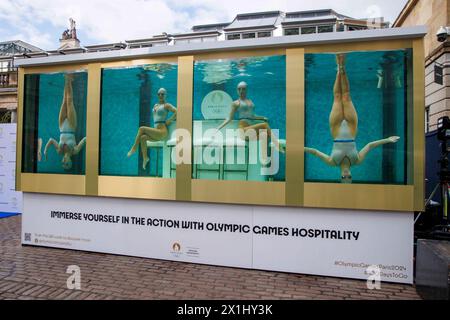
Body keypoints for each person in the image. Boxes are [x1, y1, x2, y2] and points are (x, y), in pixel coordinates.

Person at [305, 53, 400, 184]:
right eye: (349, 177)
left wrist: (298, 148)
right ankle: (342, 68)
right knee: (347, 97)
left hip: (336, 130)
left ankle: (339, 69)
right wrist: (388, 140)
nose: (346, 175)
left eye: (344, 178)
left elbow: (315, 152)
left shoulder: (332, 162)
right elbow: (370, 145)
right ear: (352, 176)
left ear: (340, 177)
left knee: (337, 97)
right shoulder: (357, 161)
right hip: (351, 129)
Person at [217, 81, 285, 156]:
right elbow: (229, 118)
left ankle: (264, 160)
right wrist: (218, 128)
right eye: (239, 89)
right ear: (237, 90)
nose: (241, 91)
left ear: (246, 90)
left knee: (265, 135)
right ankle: (278, 146)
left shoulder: (250, 102)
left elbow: (252, 116)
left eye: (243, 89)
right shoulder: (235, 103)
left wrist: (262, 117)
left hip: (251, 131)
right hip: (243, 131)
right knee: (265, 125)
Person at [40, 73, 86, 170]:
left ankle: (68, 79)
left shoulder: (59, 151)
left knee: (64, 101)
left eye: (63, 164)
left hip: (61, 126)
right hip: (71, 126)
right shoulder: (75, 151)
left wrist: (45, 150)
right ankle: (68, 79)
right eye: (67, 164)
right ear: (70, 162)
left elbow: (51, 140)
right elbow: (85, 139)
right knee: (69, 102)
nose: (64, 162)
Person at [127, 88, 177, 170]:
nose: (160, 95)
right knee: (143, 138)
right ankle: (145, 158)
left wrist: (169, 120)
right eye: (159, 94)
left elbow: (177, 111)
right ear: (157, 95)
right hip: (157, 133)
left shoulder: (166, 105)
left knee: (141, 128)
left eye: (162, 94)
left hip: (162, 132)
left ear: (165, 95)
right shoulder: (155, 105)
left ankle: (134, 148)